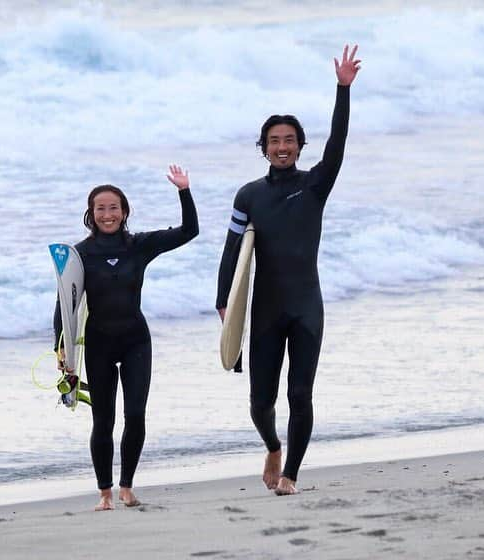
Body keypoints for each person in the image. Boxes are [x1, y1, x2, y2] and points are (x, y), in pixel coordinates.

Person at [216, 45, 360, 495]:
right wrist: (225, 301)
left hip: (306, 307)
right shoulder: (249, 196)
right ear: (264, 148)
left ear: (299, 146)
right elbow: (233, 248)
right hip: (265, 310)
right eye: (274, 141)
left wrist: (342, 89)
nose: (282, 147)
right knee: (261, 403)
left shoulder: (315, 185)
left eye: (289, 140)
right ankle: (273, 446)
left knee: (300, 395)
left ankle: (291, 475)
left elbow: (338, 143)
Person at [54, 165, 198, 511]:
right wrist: (61, 350)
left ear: (125, 212)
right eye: (100, 208)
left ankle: (127, 487)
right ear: (90, 214)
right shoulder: (79, 255)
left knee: (135, 415)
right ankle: (104, 492)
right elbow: (64, 304)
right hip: (99, 344)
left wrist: (184, 191)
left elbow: (189, 231)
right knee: (103, 420)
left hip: (136, 341)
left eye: (114, 207)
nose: (108, 214)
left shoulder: (140, 245)